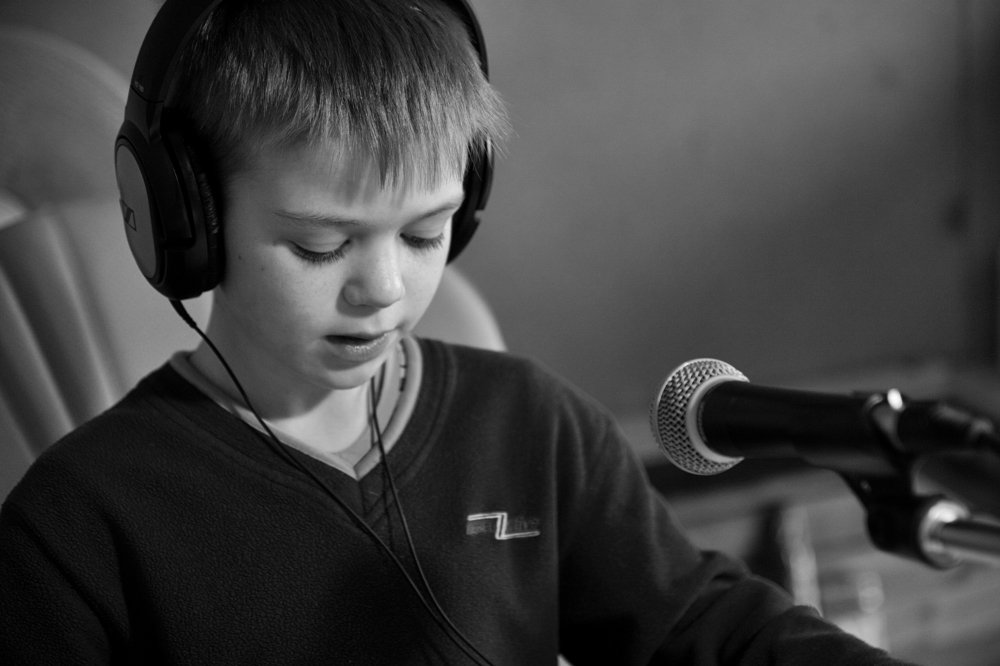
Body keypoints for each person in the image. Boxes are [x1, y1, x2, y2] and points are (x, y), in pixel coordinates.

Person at [0, 0, 917, 663]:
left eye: (425, 234)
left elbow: (700, 625)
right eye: (321, 245)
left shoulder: (533, 427)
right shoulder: (79, 524)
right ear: (187, 223)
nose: (386, 290)